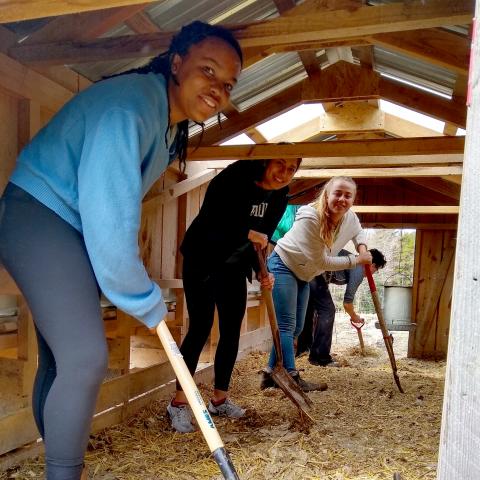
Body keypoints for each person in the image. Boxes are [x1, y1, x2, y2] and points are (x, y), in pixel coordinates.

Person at [0, 21, 242, 480]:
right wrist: (144, 298)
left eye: (227, 84)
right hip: (38, 216)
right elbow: (110, 217)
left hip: (67, 226)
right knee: (86, 357)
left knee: (63, 357)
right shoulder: (129, 110)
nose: (217, 89)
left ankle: (61, 463)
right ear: (176, 64)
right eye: (207, 71)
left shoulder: (167, 125)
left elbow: (111, 212)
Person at [167, 157, 301, 433]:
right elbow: (210, 220)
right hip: (202, 258)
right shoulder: (233, 177)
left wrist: (262, 270)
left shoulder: (280, 197)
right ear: (265, 161)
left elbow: (261, 239)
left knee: (231, 332)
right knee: (200, 329)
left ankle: (220, 399)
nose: (284, 173)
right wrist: (246, 232)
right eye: (280, 164)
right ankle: (178, 405)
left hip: (233, 266)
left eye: (292, 169)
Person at [261, 176, 372, 391]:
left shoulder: (349, 217)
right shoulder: (310, 216)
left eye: (348, 195)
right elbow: (322, 261)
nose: (342, 199)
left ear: (353, 199)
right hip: (283, 265)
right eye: (337, 193)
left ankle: (269, 374)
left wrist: (363, 248)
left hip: (305, 274)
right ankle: (291, 376)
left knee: (297, 327)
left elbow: (358, 231)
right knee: (286, 325)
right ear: (327, 195)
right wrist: (356, 261)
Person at [296, 248, 387, 366]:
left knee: (311, 308)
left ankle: (304, 350)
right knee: (328, 310)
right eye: (377, 269)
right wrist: (354, 316)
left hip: (308, 268)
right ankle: (320, 357)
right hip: (313, 270)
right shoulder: (358, 269)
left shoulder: (354, 262)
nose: (375, 272)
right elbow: (347, 303)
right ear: (372, 265)